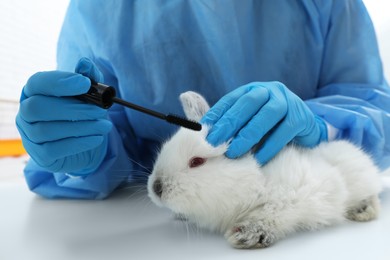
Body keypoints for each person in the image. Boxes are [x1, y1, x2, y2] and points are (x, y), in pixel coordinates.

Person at [16, 0, 390, 199]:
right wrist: (79, 145)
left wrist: (319, 126)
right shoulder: (97, 9)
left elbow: (368, 99)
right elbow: (101, 122)